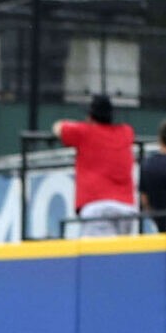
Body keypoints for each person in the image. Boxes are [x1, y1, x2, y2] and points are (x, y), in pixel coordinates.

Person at [54, 94, 138, 236]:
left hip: (97, 207)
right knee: (121, 255)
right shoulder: (126, 132)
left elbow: (59, 128)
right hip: (126, 208)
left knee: (99, 256)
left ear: (90, 116)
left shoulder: (84, 132)